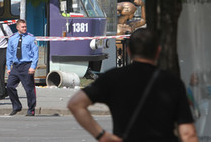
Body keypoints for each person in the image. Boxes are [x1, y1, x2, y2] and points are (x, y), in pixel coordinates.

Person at [68, 28, 198, 142]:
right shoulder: (172, 82)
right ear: (158, 51)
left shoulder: (113, 78)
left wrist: (102, 135)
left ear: (128, 51)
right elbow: (188, 133)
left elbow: (76, 104)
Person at [6, 19, 38, 116]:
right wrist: (8, 66)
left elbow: (35, 54)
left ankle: (31, 109)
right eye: (22, 27)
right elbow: (9, 53)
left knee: (29, 89)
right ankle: (16, 106)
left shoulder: (31, 38)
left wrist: (33, 67)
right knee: (10, 86)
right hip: (16, 66)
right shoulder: (12, 38)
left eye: (25, 27)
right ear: (17, 27)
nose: (24, 28)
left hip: (26, 65)